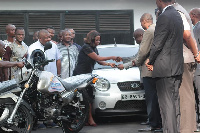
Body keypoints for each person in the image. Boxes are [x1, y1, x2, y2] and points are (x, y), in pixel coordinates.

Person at [118, 13, 162, 132]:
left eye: (141, 22)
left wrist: (126, 65)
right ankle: (158, 123)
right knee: (157, 99)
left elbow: (141, 55)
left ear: (144, 21)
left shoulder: (149, 31)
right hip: (159, 70)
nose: (141, 25)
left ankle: (154, 124)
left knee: (151, 100)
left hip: (148, 71)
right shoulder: (158, 29)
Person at [145, 0, 184, 132]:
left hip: (165, 68)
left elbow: (157, 43)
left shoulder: (164, 16)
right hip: (176, 67)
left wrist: (150, 60)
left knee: (167, 106)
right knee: (174, 105)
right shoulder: (177, 14)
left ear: (159, 1)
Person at [73, 30, 120, 126]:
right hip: (80, 75)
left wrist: (109, 64)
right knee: (80, 98)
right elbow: (98, 58)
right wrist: (112, 57)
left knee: (89, 97)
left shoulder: (94, 48)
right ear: (92, 39)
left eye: (99, 40)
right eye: (97, 40)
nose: (99, 42)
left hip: (88, 75)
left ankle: (89, 119)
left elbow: (99, 61)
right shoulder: (86, 47)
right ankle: (81, 119)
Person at [172, 2, 200, 133]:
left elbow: (188, 36)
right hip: (189, 59)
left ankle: (188, 128)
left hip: (187, 59)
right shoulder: (179, 11)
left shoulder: (178, 12)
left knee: (187, 95)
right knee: (188, 95)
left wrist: (196, 54)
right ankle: (189, 126)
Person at [27, 29, 61, 129]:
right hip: (39, 78)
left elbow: (58, 60)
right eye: (46, 38)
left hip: (52, 77)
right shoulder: (33, 47)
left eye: (49, 37)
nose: (48, 39)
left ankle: (50, 120)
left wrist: (58, 74)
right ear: (39, 38)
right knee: (38, 100)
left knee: (51, 99)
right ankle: (38, 121)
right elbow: (31, 63)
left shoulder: (53, 45)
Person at [190, 7, 200, 131]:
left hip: (198, 68)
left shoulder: (197, 28)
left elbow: (194, 45)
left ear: (193, 15)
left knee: (198, 95)